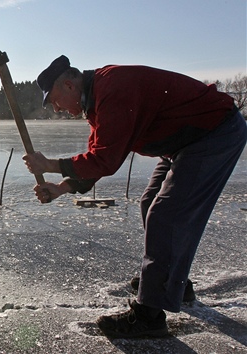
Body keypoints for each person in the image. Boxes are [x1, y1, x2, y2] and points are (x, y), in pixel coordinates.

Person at [23, 55, 247, 338]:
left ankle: (149, 316)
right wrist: (61, 187)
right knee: (150, 202)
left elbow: (105, 159)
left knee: (166, 215)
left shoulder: (112, 89)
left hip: (214, 133)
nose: (56, 109)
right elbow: (97, 159)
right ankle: (173, 282)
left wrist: (51, 165)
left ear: (69, 85)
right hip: (183, 143)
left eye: (54, 101)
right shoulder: (96, 102)